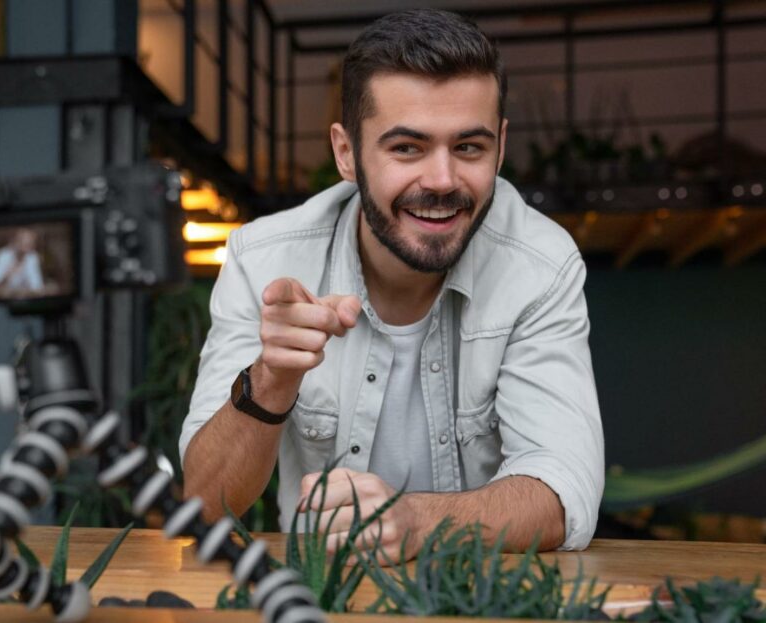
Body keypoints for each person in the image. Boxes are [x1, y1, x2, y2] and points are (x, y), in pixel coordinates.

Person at [179, 8, 604, 558]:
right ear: (347, 153)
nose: (443, 180)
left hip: (486, 602)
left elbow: (563, 490)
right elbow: (205, 507)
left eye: (469, 148)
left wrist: (416, 522)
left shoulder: (541, 266)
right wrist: (270, 379)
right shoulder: (265, 260)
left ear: (500, 145)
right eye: (407, 148)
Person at [0, 228, 44, 295]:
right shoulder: (1, 256)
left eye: (29, 244)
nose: (25, 247)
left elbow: (37, 287)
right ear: (15, 241)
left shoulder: (33, 257)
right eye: (22, 241)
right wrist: (8, 275)